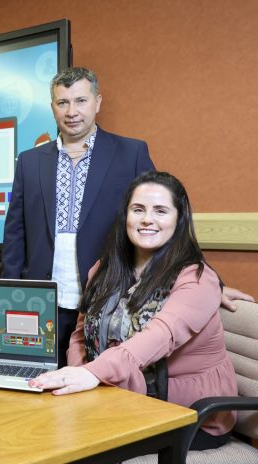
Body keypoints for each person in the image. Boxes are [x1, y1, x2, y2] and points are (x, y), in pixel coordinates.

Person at [2, 66, 252, 367]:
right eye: (62, 102)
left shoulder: (130, 152)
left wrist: (212, 282)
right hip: (40, 302)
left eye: (81, 100)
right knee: (34, 386)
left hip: (105, 300)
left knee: (94, 390)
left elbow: (164, 220)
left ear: (98, 102)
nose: (72, 111)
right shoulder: (29, 162)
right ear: (53, 107)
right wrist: (10, 293)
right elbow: (15, 233)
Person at [29, 171, 238, 450]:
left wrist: (93, 374)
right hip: (116, 396)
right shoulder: (106, 269)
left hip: (186, 412)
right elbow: (81, 334)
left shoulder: (197, 279)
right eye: (138, 209)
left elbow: (158, 336)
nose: (147, 219)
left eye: (160, 211)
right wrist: (78, 379)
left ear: (179, 219)